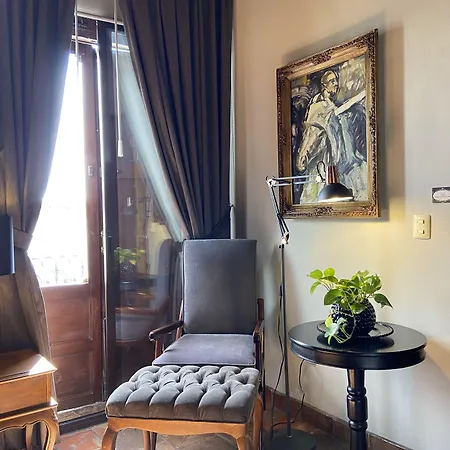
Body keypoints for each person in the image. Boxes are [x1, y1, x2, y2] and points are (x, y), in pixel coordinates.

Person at [295, 69, 367, 203]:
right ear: (324, 85)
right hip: (322, 162)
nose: (336, 84)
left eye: (336, 81)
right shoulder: (318, 106)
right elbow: (317, 131)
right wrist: (360, 96)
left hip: (333, 161)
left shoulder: (331, 104)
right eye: (332, 81)